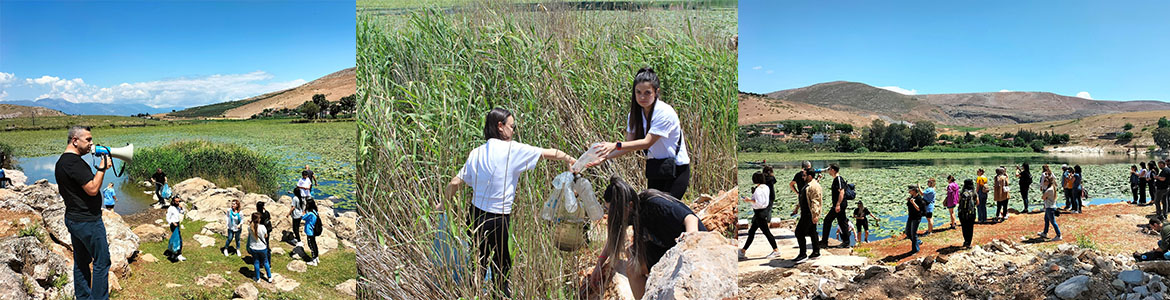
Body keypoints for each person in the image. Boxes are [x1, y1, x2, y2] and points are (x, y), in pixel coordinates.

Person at [443, 108, 576, 297]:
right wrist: (571, 160)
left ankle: (473, 294)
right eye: (512, 126)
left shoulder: (476, 152)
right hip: (499, 219)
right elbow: (551, 153)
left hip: (475, 217)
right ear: (500, 127)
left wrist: (442, 205)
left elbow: (455, 182)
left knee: (476, 265)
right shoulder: (513, 149)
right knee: (501, 267)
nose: (513, 131)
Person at [586, 175, 704, 299]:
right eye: (608, 210)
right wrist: (598, 266)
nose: (613, 216)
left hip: (691, 246)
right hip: (667, 247)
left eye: (614, 211)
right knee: (632, 263)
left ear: (629, 205)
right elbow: (613, 239)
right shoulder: (630, 214)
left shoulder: (655, 204)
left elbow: (690, 218)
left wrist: (690, 243)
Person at [587, 67, 691, 200]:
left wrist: (615, 145)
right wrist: (604, 157)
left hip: (676, 169)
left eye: (647, 93)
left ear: (656, 92)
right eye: (638, 92)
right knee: (654, 210)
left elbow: (647, 142)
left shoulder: (664, 112)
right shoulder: (635, 114)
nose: (642, 97)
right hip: (657, 169)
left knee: (667, 210)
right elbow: (628, 146)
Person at [56, 126, 112, 299]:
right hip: (88, 222)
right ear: (74, 140)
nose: (91, 143)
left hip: (74, 219)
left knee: (81, 263)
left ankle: (83, 297)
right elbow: (93, 189)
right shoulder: (73, 163)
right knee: (102, 262)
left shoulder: (63, 162)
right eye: (87, 139)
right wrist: (102, 169)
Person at [740, 172, 779, 260]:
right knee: (751, 231)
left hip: (759, 213)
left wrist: (749, 200)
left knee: (766, 232)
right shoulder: (766, 187)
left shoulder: (758, 189)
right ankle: (743, 250)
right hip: (762, 212)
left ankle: (776, 250)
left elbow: (759, 202)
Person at [793, 170, 823, 262]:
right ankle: (816, 252)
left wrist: (815, 215)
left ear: (810, 176)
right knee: (812, 232)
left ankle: (803, 254)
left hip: (809, 213)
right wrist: (797, 208)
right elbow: (803, 197)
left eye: (804, 175)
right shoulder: (808, 185)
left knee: (799, 232)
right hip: (805, 212)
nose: (803, 177)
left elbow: (815, 201)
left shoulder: (814, 186)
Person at [819, 164, 851, 248]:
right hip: (839, 204)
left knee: (827, 220)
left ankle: (824, 241)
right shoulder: (836, 179)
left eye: (829, 169)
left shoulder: (839, 179)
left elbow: (842, 192)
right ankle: (846, 242)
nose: (828, 170)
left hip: (840, 204)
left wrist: (837, 205)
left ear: (833, 170)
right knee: (842, 222)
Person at [1038, 165, 1062, 241]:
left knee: (1053, 222)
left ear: (1048, 182)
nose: (1043, 182)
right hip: (1050, 206)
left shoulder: (1049, 190)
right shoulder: (1052, 188)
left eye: (1045, 181)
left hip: (1050, 208)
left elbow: (1043, 197)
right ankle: (1044, 233)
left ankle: (1059, 235)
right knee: (1046, 220)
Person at [247, 212, 273, 283]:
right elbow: (265, 236)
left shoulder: (250, 227)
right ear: (259, 219)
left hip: (253, 247)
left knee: (256, 262)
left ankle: (257, 278)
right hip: (262, 247)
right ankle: (269, 277)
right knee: (266, 262)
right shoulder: (262, 227)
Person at [290, 170, 312, 244]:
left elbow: (293, 207)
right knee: (302, 204)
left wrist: (288, 214)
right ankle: (297, 238)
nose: (305, 177)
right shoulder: (300, 180)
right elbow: (298, 186)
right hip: (302, 194)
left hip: (297, 214)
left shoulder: (308, 179)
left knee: (295, 227)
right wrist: (303, 187)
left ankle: (298, 240)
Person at [165, 196, 186, 262]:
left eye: (178, 201)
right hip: (173, 225)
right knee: (178, 239)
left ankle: (174, 253)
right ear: (173, 201)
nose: (178, 202)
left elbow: (182, 212)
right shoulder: (171, 208)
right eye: (176, 201)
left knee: (176, 239)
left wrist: (181, 208)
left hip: (177, 223)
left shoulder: (177, 207)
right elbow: (167, 217)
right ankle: (178, 254)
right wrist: (172, 222)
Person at [958, 179, 978, 249]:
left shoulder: (962, 192)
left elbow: (958, 201)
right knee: (970, 227)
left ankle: (965, 241)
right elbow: (978, 203)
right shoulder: (974, 193)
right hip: (971, 213)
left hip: (962, 213)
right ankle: (969, 243)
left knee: (964, 227)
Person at [905, 185, 925, 254]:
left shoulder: (919, 198)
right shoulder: (912, 197)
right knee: (907, 232)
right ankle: (918, 241)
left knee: (913, 233)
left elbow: (919, 209)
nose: (909, 191)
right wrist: (909, 201)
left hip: (916, 218)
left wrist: (913, 203)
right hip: (910, 217)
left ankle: (915, 249)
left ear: (914, 190)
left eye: (910, 190)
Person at [303, 200, 321, 266]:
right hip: (313, 231)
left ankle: (314, 261)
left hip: (310, 231)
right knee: (314, 244)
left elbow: (303, 217)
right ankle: (316, 258)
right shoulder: (315, 212)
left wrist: (304, 211)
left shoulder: (310, 213)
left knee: (311, 245)